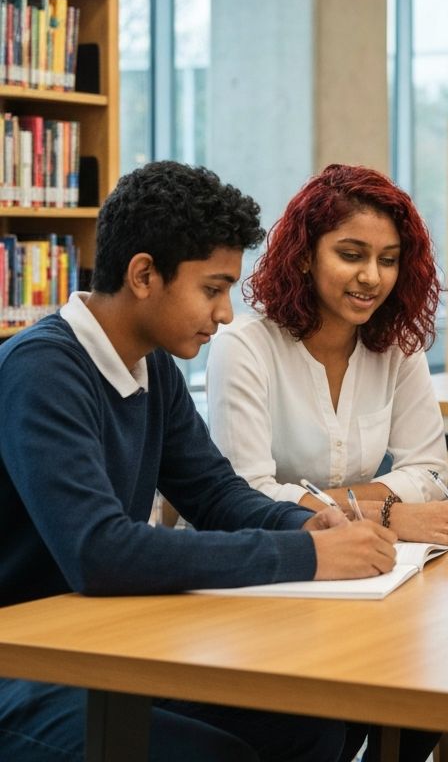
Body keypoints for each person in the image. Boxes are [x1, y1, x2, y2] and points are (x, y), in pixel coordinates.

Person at [0, 162, 398, 762]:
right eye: (212, 289)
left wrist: (306, 524)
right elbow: (99, 553)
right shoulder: (42, 371)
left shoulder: (152, 365)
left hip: (98, 645)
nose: (227, 313)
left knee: (311, 722)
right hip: (23, 664)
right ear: (143, 275)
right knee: (213, 754)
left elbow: (214, 493)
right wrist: (308, 555)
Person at [207, 163, 448, 550]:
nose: (372, 277)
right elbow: (247, 495)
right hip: (272, 556)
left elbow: (430, 475)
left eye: (388, 260)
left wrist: (330, 506)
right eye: (351, 255)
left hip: (365, 556)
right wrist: (386, 513)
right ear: (304, 256)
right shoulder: (243, 346)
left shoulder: (398, 346)